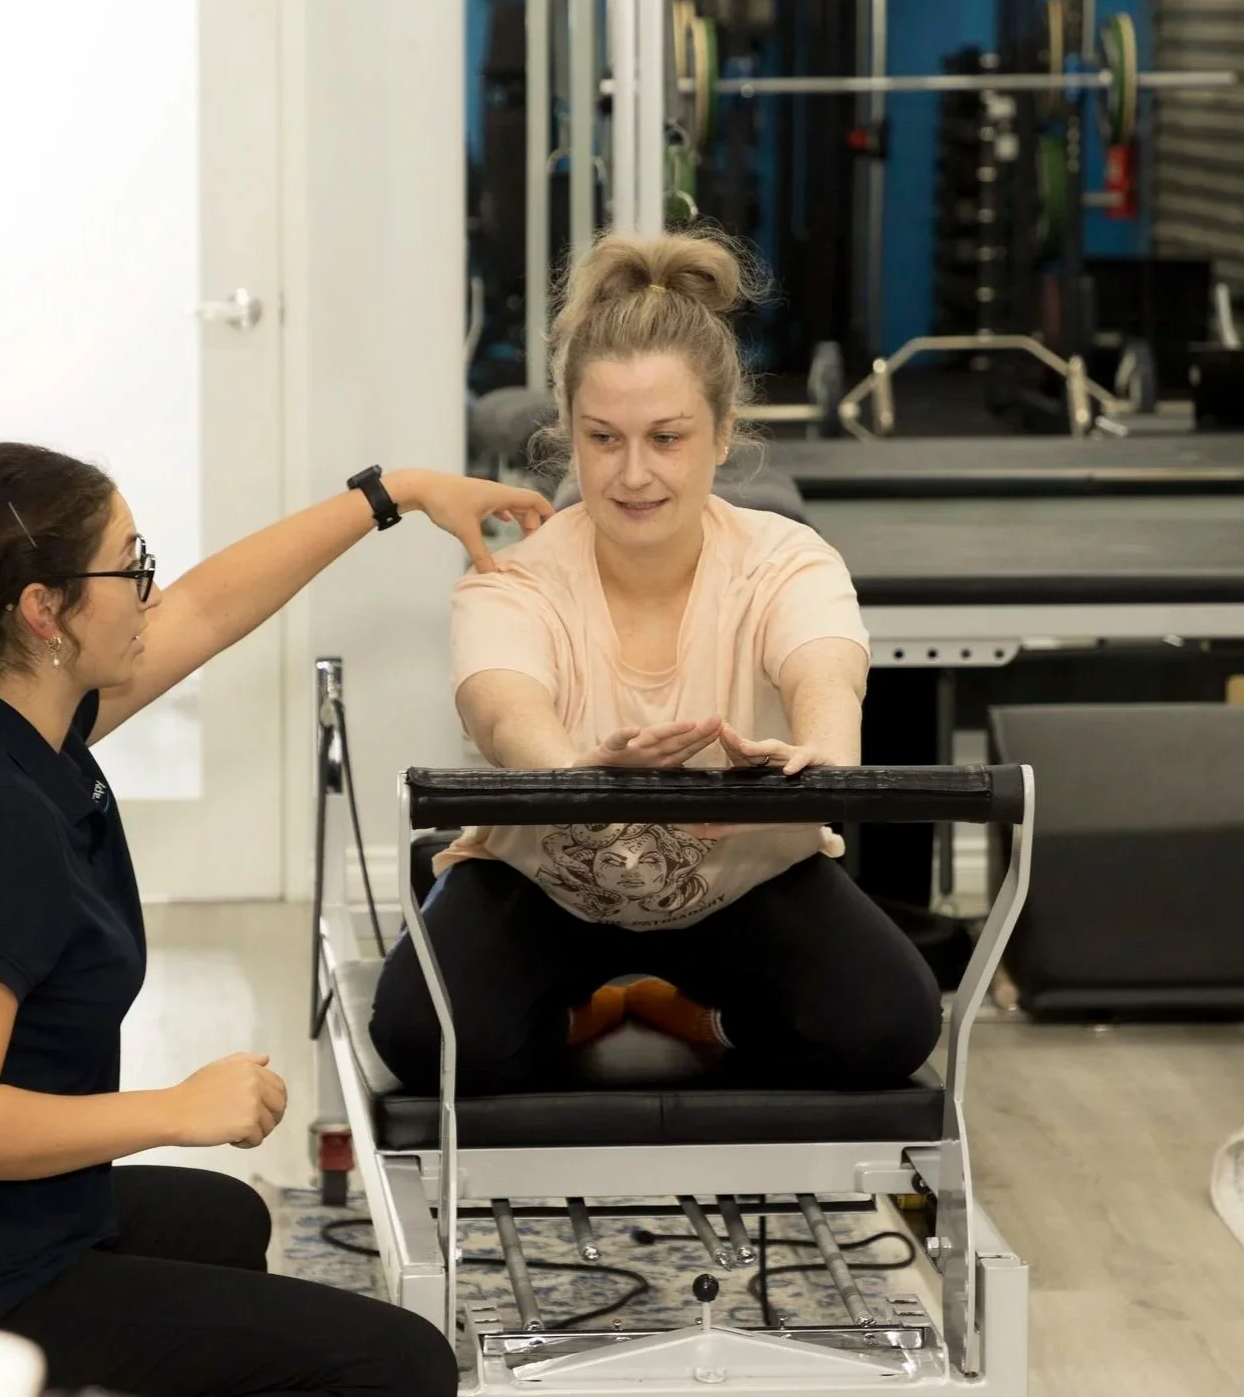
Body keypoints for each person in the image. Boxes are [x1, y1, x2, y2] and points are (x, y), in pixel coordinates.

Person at [0, 438, 551, 1396]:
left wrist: (392, 494)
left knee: (223, 1223)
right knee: (398, 1365)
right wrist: (175, 1112)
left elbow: (204, 608)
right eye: (130, 565)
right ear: (44, 612)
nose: (152, 591)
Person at [369, 231, 941, 1097]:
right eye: (605, 439)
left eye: (667, 439)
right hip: (543, 881)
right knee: (427, 1039)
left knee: (887, 1027)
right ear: (568, 433)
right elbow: (501, 705)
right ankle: (594, 1007)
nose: (634, 474)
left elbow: (826, 670)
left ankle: (687, 1009)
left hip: (742, 880)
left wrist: (817, 763)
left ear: (723, 435)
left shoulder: (788, 560)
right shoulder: (513, 577)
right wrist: (580, 778)